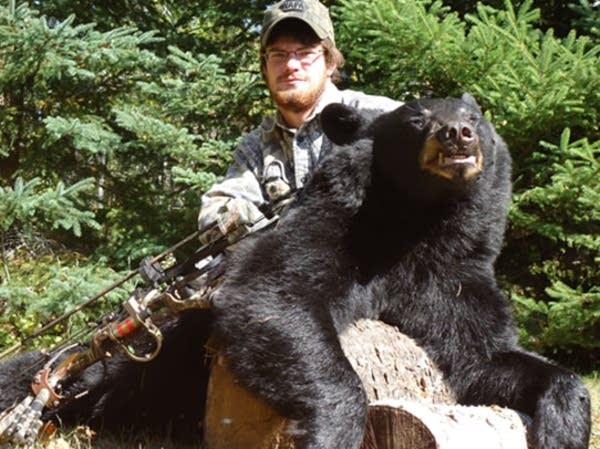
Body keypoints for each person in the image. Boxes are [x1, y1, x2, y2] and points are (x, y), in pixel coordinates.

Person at [198, 0, 400, 243]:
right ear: (265, 66)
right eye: (278, 55)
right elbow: (212, 213)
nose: (291, 65)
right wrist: (269, 226)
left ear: (330, 62)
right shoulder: (256, 147)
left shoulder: (382, 117)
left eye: (305, 53)